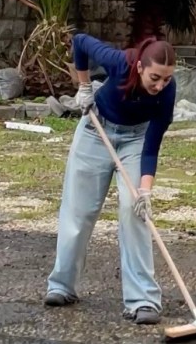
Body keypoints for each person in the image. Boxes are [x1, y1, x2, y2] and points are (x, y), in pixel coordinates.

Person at [43, 32, 177, 325]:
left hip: (136, 140)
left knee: (133, 210)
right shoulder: (119, 62)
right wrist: (84, 86)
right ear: (140, 67)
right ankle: (61, 286)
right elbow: (80, 41)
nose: (160, 85)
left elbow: (152, 145)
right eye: (155, 77)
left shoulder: (167, 93)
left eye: (166, 79)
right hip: (95, 129)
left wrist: (145, 191)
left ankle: (143, 300)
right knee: (78, 211)